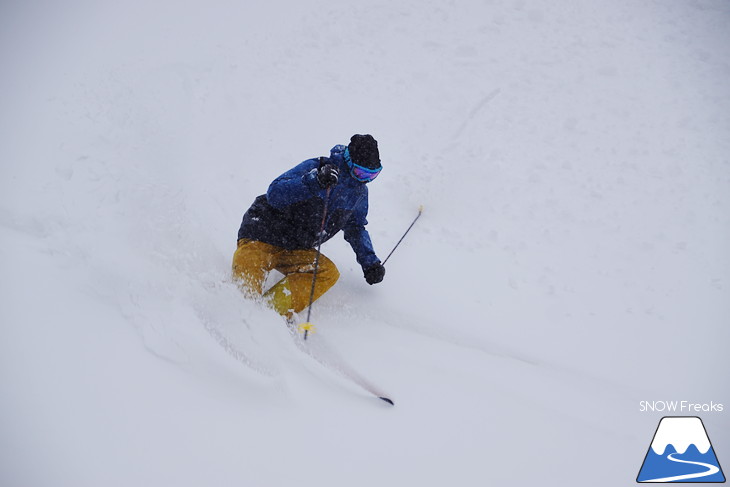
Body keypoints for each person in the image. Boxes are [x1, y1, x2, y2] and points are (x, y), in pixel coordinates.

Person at [232, 134, 386, 322]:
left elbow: (355, 227)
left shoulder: (359, 194)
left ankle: (269, 314)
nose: (366, 180)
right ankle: (240, 318)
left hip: (294, 249)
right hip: (262, 236)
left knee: (327, 273)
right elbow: (275, 193)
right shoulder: (318, 168)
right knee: (241, 300)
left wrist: (370, 262)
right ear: (349, 161)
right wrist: (314, 182)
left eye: (373, 175)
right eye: (363, 173)